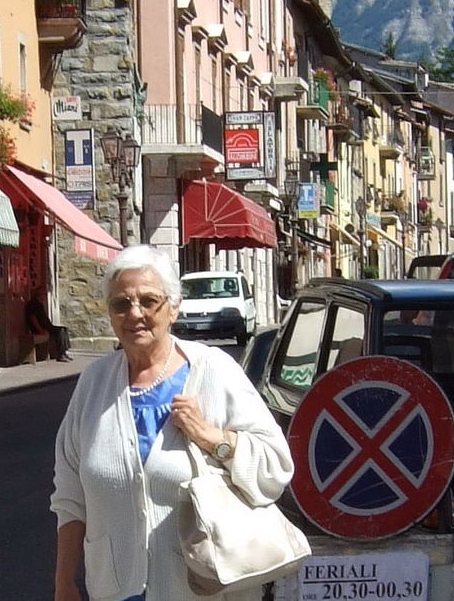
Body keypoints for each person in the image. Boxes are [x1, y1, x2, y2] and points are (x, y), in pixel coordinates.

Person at [52, 245, 294, 601]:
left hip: (202, 591)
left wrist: (213, 438)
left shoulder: (214, 371)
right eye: (121, 304)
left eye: (149, 301)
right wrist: (64, 583)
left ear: (173, 307)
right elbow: (70, 495)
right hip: (114, 589)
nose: (135, 314)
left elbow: (276, 467)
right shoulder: (94, 384)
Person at [28, 295, 72, 362]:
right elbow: (33, 319)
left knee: (64, 329)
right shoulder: (33, 304)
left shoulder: (40, 304)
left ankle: (64, 351)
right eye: (42, 294)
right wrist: (41, 330)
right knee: (60, 331)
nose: (44, 296)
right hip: (43, 328)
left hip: (48, 326)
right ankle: (60, 355)